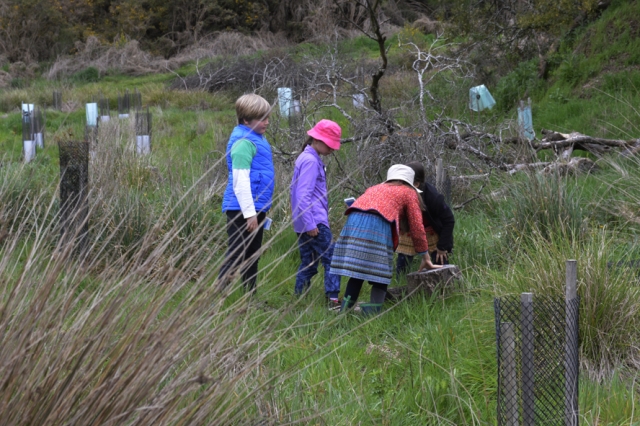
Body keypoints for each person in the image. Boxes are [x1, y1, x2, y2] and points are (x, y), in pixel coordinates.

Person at [330, 164, 441, 314]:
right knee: (381, 276)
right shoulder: (409, 193)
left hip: (353, 223)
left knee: (357, 274)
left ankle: (344, 311)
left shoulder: (374, 188)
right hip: (377, 226)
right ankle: (373, 313)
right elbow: (417, 227)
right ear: (410, 182)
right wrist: (426, 257)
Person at [218, 94, 274, 293]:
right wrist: (249, 214)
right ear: (246, 120)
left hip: (256, 207)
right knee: (236, 254)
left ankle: (250, 296)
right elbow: (240, 183)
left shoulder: (256, 138)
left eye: (267, 117)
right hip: (241, 209)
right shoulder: (243, 142)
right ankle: (216, 297)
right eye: (262, 119)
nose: (266, 122)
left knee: (252, 254)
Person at [290, 120, 342, 306]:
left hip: (303, 221)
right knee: (332, 260)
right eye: (330, 144)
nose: (332, 149)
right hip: (314, 221)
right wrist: (311, 224)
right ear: (318, 140)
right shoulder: (311, 161)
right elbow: (303, 195)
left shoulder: (307, 158)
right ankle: (333, 301)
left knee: (309, 262)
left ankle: (299, 298)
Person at [396, 161, 455, 274]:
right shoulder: (400, 194)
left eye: (404, 182)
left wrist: (443, 247)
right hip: (408, 231)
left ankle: (444, 287)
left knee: (441, 265)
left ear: (416, 184)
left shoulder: (433, 197)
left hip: (431, 232)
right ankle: (403, 285)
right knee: (402, 269)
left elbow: (449, 220)